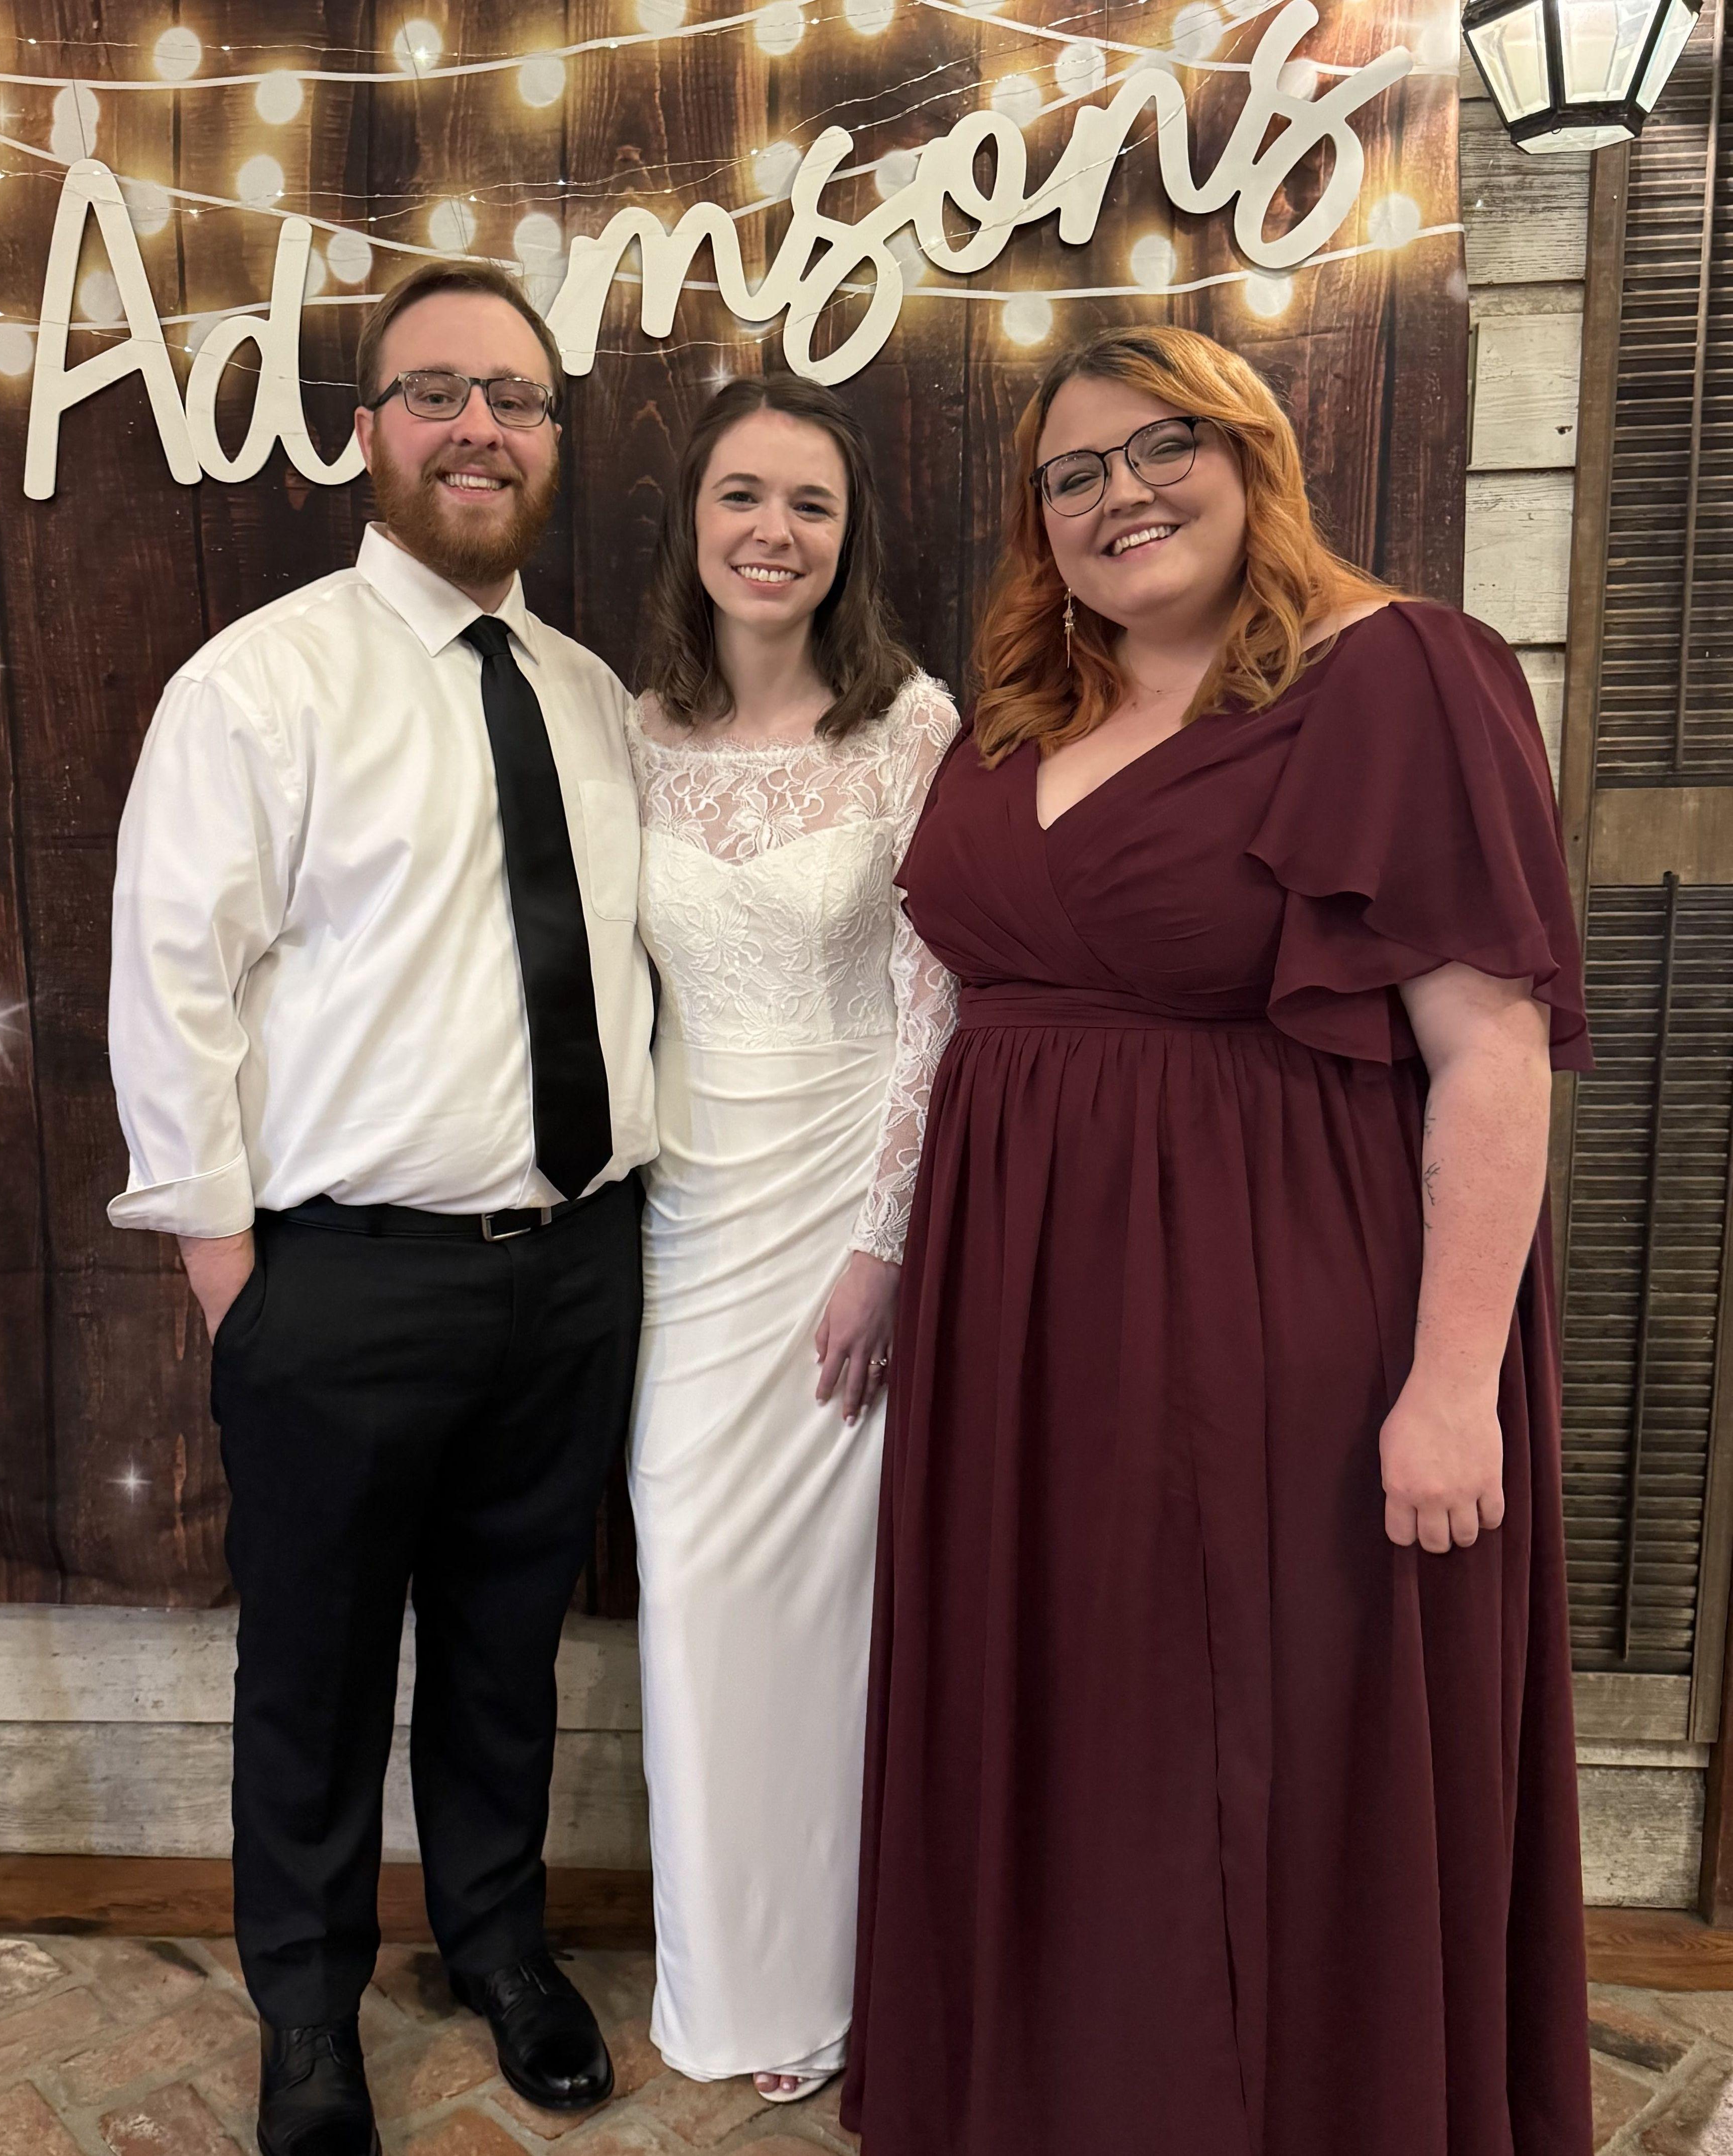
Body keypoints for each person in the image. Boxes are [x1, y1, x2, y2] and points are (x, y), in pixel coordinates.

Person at [845, 326, 1594, 2155]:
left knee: (1265, 1740)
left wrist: (1451, 1387)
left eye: (1163, 446)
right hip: (1022, 1329)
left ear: (1257, 456)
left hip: (1274, 1312)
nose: (1121, 494)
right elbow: (954, 1014)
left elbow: (1489, 1052)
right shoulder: (1020, 714)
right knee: (1075, 1728)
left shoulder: (1394, 669)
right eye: (1074, 472)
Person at [105, 261, 657, 2156]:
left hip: (572, 1267)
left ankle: (497, 1944)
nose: (478, 428)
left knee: (510, 1649)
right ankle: (307, 2010)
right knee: (316, 1672)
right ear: (367, 433)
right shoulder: (257, 684)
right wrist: (231, 1275)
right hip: (340, 1281)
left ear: (553, 441)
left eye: (516, 398)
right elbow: (171, 983)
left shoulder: (591, 698)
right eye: (437, 393)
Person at [626, 376, 960, 2105]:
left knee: (835, 1614)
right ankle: (728, 1970)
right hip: (687, 1219)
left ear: (849, 537)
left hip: (843, 1196)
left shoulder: (910, 727)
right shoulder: (627, 731)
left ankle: (831, 1976)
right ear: (693, 521)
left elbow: (936, 996)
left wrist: (883, 1245)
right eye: (742, 496)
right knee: (690, 1591)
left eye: (808, 504)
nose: (772, 531)